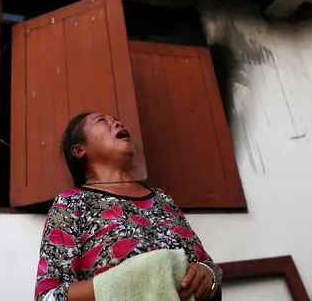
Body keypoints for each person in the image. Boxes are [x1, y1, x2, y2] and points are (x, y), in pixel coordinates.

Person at [35, 112, 223, 301]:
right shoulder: (71, 203)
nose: (117, 123)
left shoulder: (162, 199)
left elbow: (207, 265)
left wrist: (209, 274)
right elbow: (48, 297)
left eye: (116, 119)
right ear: (79, 150)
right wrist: (136, 277)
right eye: (103, 121)